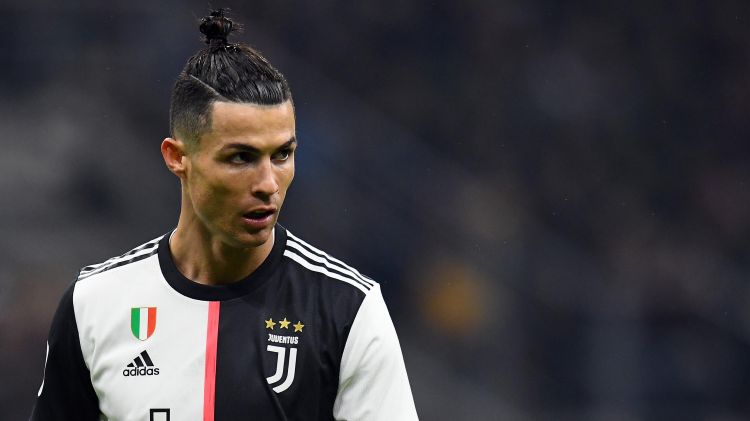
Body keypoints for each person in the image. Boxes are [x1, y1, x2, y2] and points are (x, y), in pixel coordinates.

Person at [30, 9, 418, 421]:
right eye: (241, 157)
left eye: (282, 155)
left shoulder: (348, 310)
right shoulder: (94, 305)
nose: (268, 183)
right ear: (177, 157)